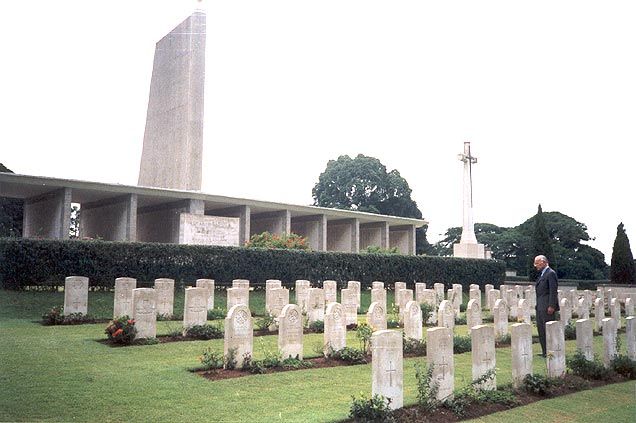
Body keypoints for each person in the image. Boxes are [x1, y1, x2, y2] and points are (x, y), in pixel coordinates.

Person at [534, 255, 559, 357]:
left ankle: (551, 351)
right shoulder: (542, 275)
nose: (535, 265)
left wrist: (552, 306)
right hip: (540, 306)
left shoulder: (551, 273)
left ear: (543, 262)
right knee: (541, 329)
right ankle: (545, 351)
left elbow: (553, 291)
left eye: (537, 263)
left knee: (548, 329)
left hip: (547, 307)